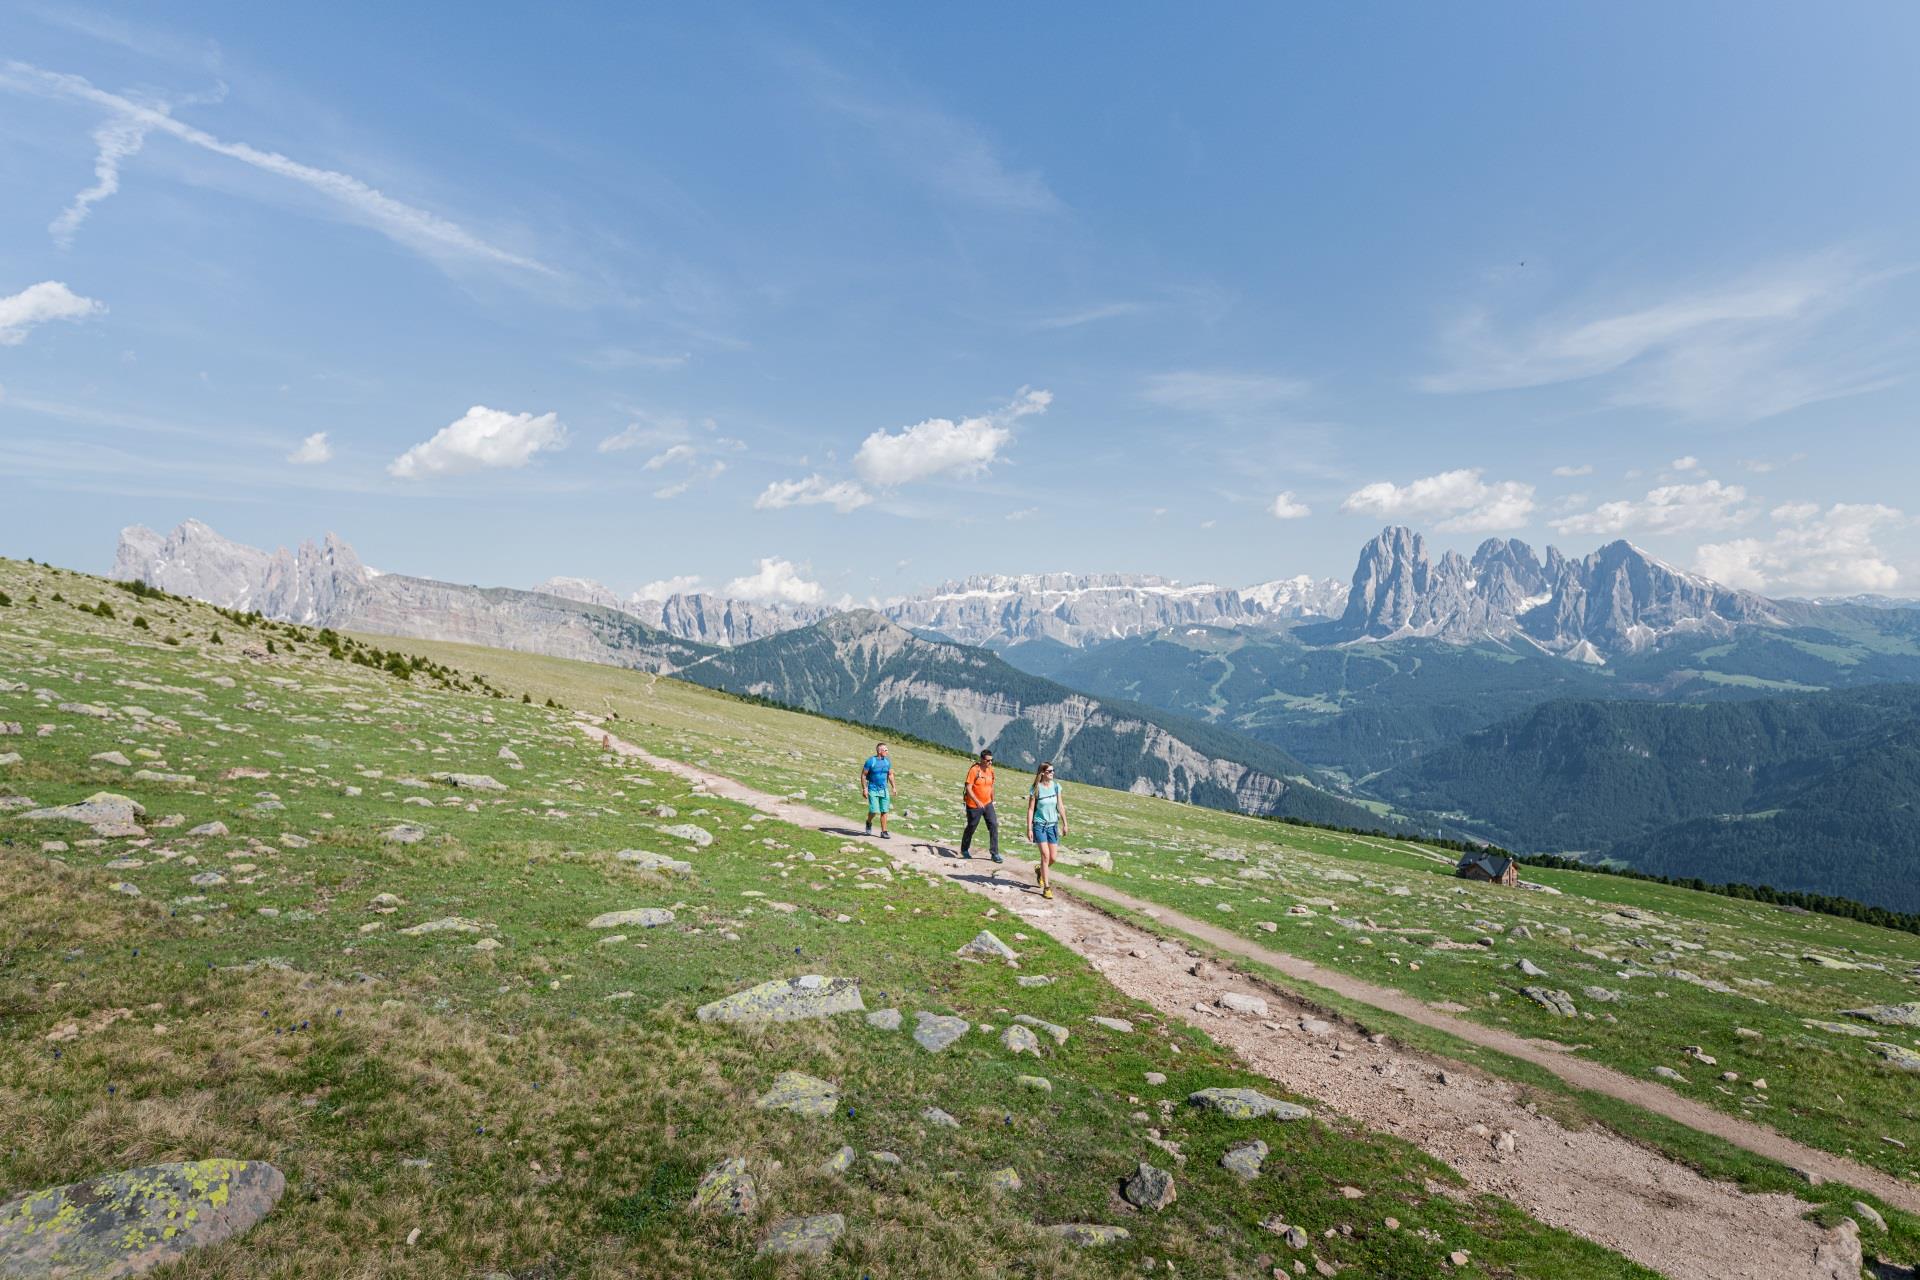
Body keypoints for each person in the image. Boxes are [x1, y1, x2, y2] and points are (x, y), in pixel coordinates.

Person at [1026, 761, 1066, 898]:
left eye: (1053, 771)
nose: (1052, 773)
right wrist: (1029, 828)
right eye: (1049, 771)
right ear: (1042, 773)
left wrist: (1065, 823)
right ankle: (1047, 887)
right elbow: (1031, 809)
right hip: (1039, 825)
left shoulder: (1056, 787)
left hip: (1053, 825)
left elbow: (1060, 806)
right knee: (1045, 855)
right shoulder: (1036, 789)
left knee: (1053, 858)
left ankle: (1040, 870)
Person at [959, 748, 1001, 863]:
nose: (990, 763)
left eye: (991, 760)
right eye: (988, 761)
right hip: (974, 804)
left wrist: (993, 800)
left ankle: (995, 853)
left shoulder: (991, 770)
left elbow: (991, 786)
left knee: (993, 825)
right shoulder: (974, 770)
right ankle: (964, 849)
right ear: (982, 760)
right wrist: (977, 801)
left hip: (987, 803)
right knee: (972, 826)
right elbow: (968, 788)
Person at [860, 742, 894, 838]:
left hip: (884, 789)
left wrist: (894, 787)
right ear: (880, 751)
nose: (887, 752)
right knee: (874, 810)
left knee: (884, 810)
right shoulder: (871, 761)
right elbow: (863, 775)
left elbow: (890, 774)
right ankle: (869, 822)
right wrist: (864, 789)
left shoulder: (887, 762)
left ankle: (884, 831)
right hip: (873, 789)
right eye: (885, 750)